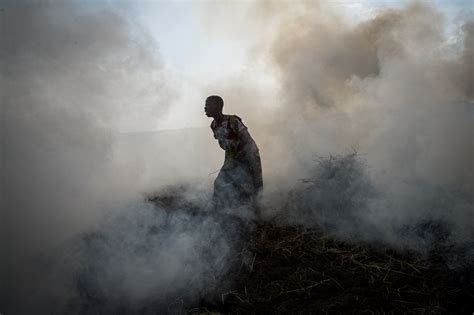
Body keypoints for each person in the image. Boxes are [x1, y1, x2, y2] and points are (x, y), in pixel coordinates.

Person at [204, 95, 263, 214]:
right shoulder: (213, 125)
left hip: (248, 155)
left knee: (253, 185)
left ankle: (257, 213)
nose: (205, 108)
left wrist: (247, 162)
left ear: (217, 106)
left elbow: (247, 140)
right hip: (232, 157)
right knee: (219, 183)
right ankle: (218, 211)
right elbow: (224, 144)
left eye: (208, 104)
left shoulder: (232, 121)